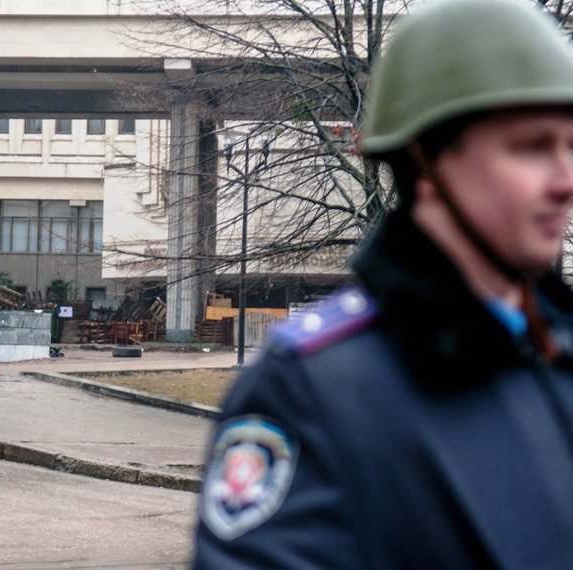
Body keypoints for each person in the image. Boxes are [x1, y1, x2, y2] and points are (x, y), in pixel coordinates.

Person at [192, 0, 573, 567]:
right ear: (426, 166)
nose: (565, 182)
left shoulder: (558, 349)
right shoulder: (313, 388)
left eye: (572, 146)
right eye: (531, 148)